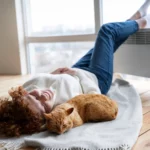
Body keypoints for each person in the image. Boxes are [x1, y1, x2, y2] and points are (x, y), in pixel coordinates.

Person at [0, 0, 150, 136]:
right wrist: (76, 73)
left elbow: (40, 85)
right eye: (42, 105)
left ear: (24, 94)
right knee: (107, 31)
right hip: (95, 79)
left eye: (34, 96)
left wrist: (54, 74)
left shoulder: (23, 95)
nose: (42, 96)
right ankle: (143, 21)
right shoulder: (63, 106)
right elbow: (94, 95)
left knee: (107, 43)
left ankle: (134, 18)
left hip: (75, 71)